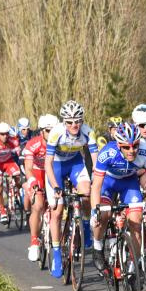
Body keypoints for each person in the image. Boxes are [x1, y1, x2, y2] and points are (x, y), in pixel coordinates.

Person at [89, 123, 146, 273]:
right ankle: (97, 247)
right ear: (119, 145)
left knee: (136, 221)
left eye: (135, 146)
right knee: (103, 216)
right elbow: (96, 185)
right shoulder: (107, 152)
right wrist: (95, 210)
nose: (132, 150)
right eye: (126, 147)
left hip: (129, 183)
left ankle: (133, 268)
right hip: (108, 182)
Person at [45, 101, 97, 278]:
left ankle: (86, 226)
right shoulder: (56, 133)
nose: (74, 125)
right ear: (64, 122)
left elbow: (96, 161)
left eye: (78, 121)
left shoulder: (88, 132)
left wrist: (98, 180)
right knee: (57, 211)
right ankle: (57, 255)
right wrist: (56, 186)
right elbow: (48, 163)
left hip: (75, 163)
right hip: (57, 167)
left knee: (87, 193)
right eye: (69, 122)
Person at [22, 114, 57, 261]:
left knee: (57, 208)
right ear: (42, 131)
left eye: (54, 130)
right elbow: (28, 168)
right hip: (37, 173)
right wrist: (32, 182)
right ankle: (34, 241)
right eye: (48, 131)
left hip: (53, 173)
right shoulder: (33, 144)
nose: (52, 134)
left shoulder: (60, 142)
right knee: (38, 205)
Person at [0, 122, 23, 225]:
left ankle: (15, 192)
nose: (5, 136)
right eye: (2, 134)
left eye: (7, 133)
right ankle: (2, 211)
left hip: (8, 162)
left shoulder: (13, 141)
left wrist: (21, 167)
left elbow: (18, 155)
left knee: (17, 175)